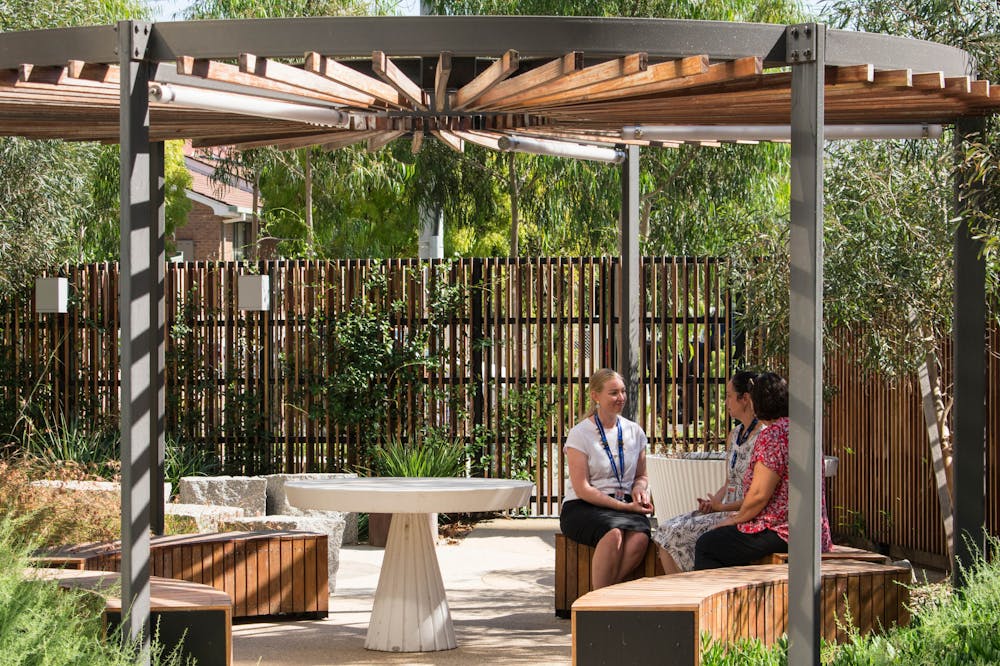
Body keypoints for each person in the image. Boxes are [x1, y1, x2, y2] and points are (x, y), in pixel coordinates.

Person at [693, 372, 832, 569]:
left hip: (783, 531)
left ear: (757, 402)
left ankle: (732, 590)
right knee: (724, 543)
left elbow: (759, 494)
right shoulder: (803, 431)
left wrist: (733, 520)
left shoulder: (773, 435)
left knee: (707, 545)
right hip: (812, 531)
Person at [652, 370, 761, 573]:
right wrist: (713, 504)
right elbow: (729, 482)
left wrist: (722, 507)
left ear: (745, 398)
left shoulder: (763, 436)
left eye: (729, 396)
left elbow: (758, 495)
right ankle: (680, 590)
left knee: (675, 535)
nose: (726, 402)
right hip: (726, 508)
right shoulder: (735, 434)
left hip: (744, 513)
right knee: (663, 530)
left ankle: (689, 589)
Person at [560, 368, 654, 589]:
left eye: (623, 391)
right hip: (583, 505)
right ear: (595, 396)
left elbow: (641, 475)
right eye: (613, 393)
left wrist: (639, 489)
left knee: (640, 537)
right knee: (613, 533)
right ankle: (601, 601)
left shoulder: (635, 431)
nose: (621, 397)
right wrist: (625, 508)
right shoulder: (580, 434)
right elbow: (582, 488)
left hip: (625, 503)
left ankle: (603, 594)